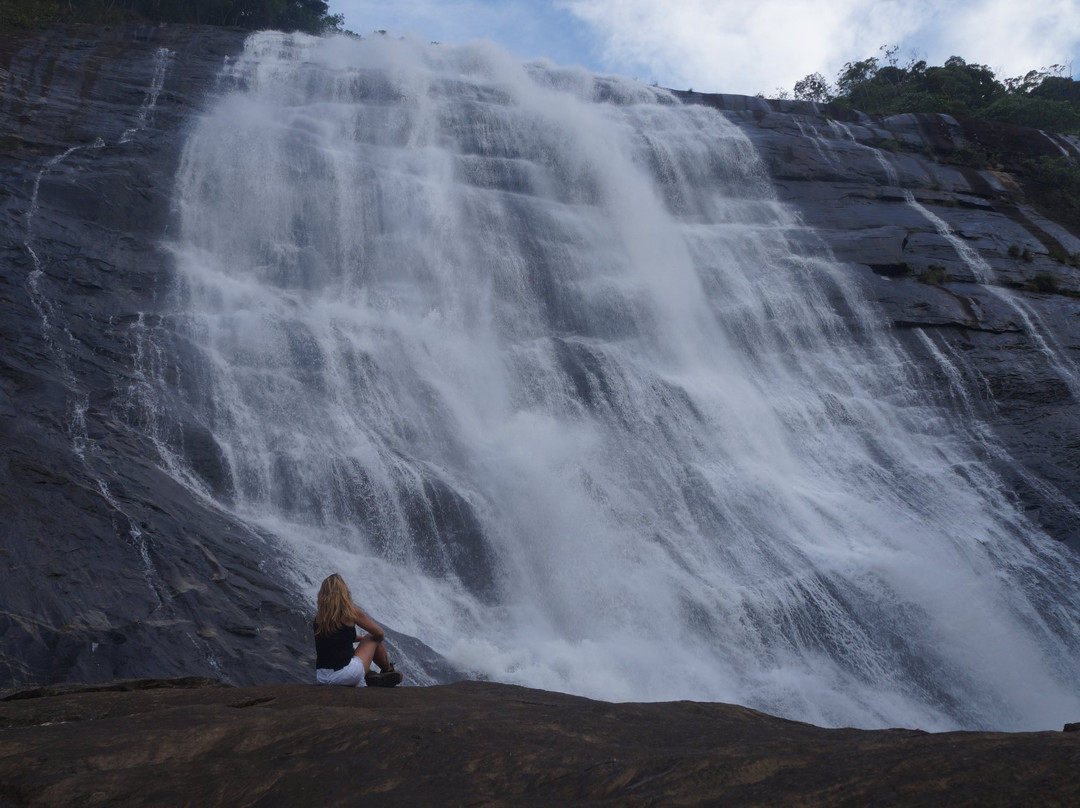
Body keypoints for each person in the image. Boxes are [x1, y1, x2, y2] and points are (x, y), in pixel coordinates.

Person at [313, 573, 403, 687]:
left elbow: (339, 639)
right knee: (373, 637)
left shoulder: (319, 618)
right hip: (344, 675)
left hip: (322, 677)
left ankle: (370, 674)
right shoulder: (350, 612)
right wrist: (369, 640)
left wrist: (361, 640)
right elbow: (379, 633)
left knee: (350, 650)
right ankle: (388, 671)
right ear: (343, 592)